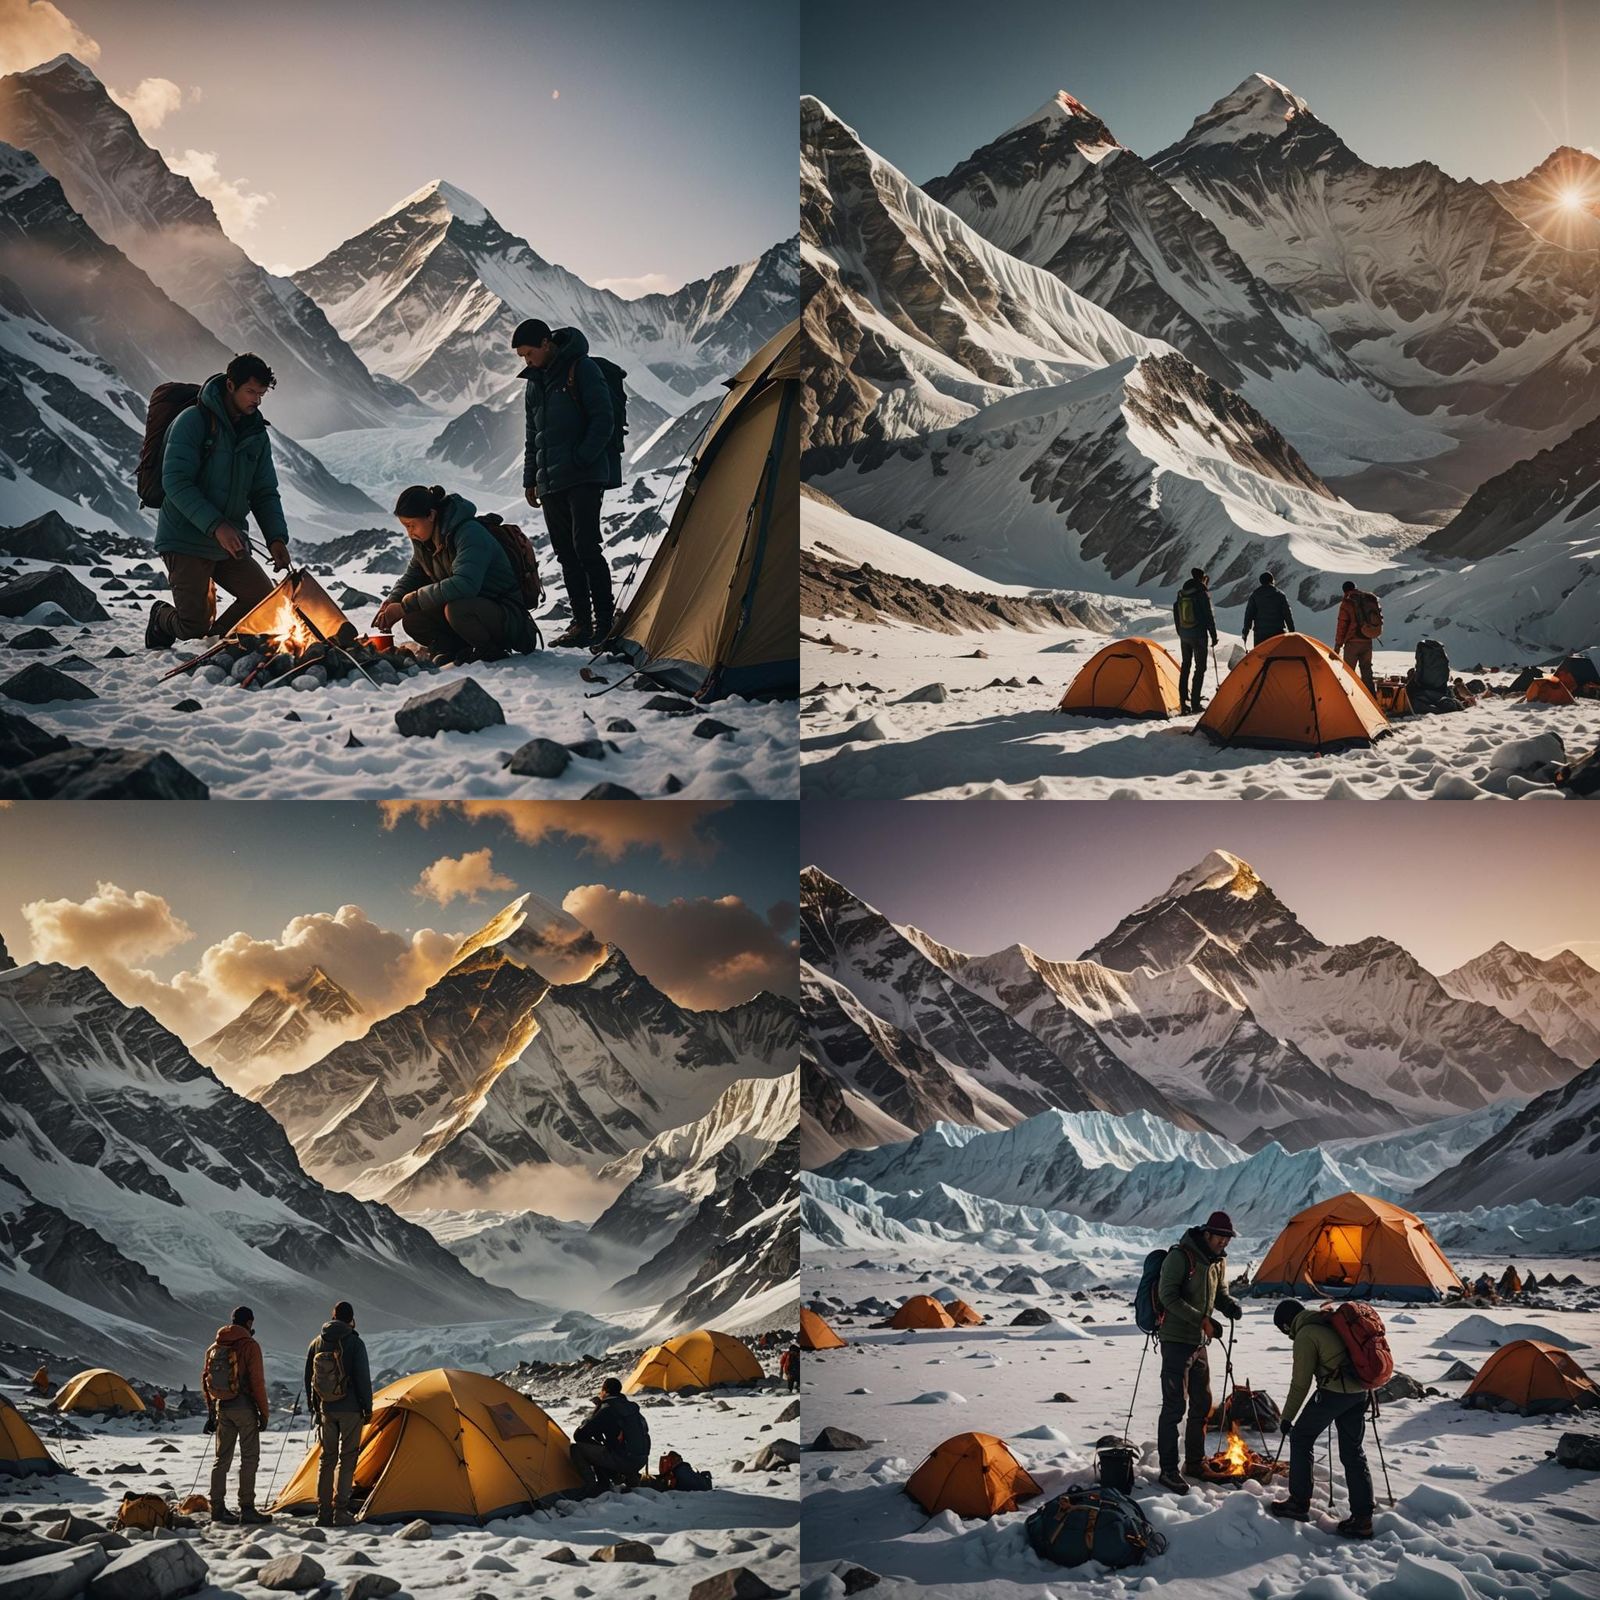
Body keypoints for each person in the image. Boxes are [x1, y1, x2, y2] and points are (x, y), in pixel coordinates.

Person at [146, 354, 290, 649]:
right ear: (230, 385)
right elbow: (175, 481)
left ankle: (216, 641)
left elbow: (264, 491)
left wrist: (276, 538)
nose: (257, 401)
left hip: (229, 542)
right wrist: (216, 526)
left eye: (261, 394)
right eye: (251, 392)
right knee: (192, 627)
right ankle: (162, 617)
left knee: (263, 600)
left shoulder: (256, 434)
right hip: (185, 539)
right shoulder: (193, 421)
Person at [515, 318, 619, 648]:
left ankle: (605, 622)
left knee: (586, 548)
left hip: (583, 476)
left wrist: (582, 458)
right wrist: (531, 479)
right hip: (551, 482)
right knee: (566, 554)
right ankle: (581, 625)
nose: (526, 360)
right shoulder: (534, 384)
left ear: (546, 343)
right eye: (522, 356)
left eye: (529, 353)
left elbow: (603, 418)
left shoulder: (581, 368)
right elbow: (533, 436)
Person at [374, 485, 537, 666]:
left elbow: (465, 584)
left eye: (412, 525)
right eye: (406, 527)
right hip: (470, 610)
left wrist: (406, 605)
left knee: (456, 610)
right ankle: (452, 649)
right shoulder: (425, 542)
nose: (410, 533)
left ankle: (489, 650)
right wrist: (393, 600)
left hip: (505, 615)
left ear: (431, 515)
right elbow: (413, 576)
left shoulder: (470, 533)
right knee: (413, 620)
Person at [1155, 1210, 1243, 1494]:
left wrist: (1229, 1306)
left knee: (1202, 1404)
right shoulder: (1180, 1257)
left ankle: (1194, 1463)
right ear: (1207, 1234)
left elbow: (1219, 1294)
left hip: (1199, 1343)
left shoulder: (1218, 1261)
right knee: (1174, 1407)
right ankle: (1168, 1470)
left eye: (1228, 1238)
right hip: (1175, 1341)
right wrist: (1202, 1320)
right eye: (1220, 1237)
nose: (1224, 1243)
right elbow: (1167, 1296)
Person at [1269, 1300, 1374, 1538]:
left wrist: (1287, 1418)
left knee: (1300, 1438)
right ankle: (1363, 1518)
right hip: (1360, 1392)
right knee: (1353, 1451)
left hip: (1335, 1393)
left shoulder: (1306, 1335)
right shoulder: (1327, 1322)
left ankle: (1298, 1502)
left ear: (1286, 1325)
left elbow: (1300, 1383)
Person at [304, 1300, 372, 1528]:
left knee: (327, 1460)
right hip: (351, 1409)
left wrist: (315, 1406)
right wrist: (367, 1407)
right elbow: (362, 1378)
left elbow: (309, 1378)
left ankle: (323, 1512)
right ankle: (340, 1510)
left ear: (332, 1317)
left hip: (326, 1409)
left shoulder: (317, 1342)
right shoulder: (354, 1343)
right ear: (351, 1319)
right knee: (348, 1458)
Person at [202, 1305, 272, 1525]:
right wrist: (264, 1413)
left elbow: (206, 1380)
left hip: (223, 1407)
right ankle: (247, 1508)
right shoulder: (249, 1346)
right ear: (249, 1323)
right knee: (249, 1458)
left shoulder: (215, 1346)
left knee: (221, 1459)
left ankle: (217, 1507)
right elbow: (257, 1382)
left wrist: (211, 1411)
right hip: (244, 1407)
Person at [570, 1377, 650, 1496]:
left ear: (605, 1391)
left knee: (576, 1449)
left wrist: (594, 1413)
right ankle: (627, 1476)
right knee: (605, 1447)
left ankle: (591, 1486)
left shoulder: (607, 1408)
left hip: (625, 1460)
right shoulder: (631, 1408)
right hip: (641, 1459)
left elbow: (579, 1435)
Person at [1173, 568, 1218, 713]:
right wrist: (1213, 635)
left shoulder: (1181, 593)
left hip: (1184, 635)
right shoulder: (1201, 593)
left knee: (1185, 665)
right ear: (1202, 578)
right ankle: (1195, 703)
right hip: (1198, 635)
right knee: (1200, 668)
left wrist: (1180, 631)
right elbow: (1208, 615)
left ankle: (1183, 700)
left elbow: (1176, 611)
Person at [1334, 580, 1379, 693]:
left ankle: (1349, 697)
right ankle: (1371, 698)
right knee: (1367, 671)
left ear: (1344, 591)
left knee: (1348, 672)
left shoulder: (1347, 602)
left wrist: (1338, 645)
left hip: (1352, 642)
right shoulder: (1368, 599)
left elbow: (1342, 625)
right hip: (1367, 640)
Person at [1240, 572, 1294, 646]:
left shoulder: (1255, 595)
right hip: (1277, 633)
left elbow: (1249, 615)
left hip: (1260, 634)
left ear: (1261, 581)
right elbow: (1287, 615)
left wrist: (1245, 633)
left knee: (1261, 653)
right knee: (1277, 653)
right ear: (1272, 580)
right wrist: (1292, 631)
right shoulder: (1280, 595)